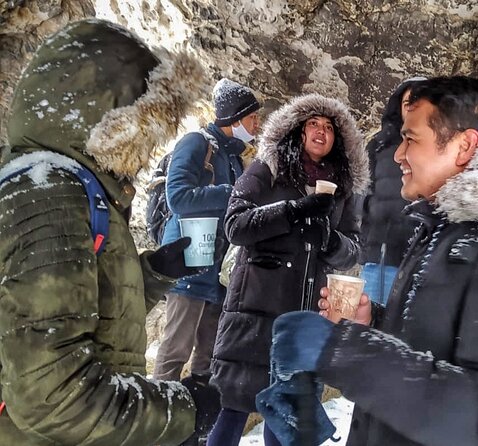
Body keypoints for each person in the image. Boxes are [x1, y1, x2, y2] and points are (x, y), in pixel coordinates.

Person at [262, 76, 478, 445]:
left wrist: (344, 353)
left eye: (411, 139)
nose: (399, 154)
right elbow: (441, 346)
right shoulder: (450, 228)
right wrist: (374, 323)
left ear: (465, 145)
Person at [0, 19, 218, 445]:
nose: (150, 147)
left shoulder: (68, 185)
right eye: (146, 124)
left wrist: (153, 272)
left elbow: (84, 306)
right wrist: (182, 410)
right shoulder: (48, 196)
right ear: (110, 116)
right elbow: (53, 398)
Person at [207, 93, 369, 446]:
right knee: (234, 407)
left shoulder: (344, 188)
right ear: (298, 130)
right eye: (313, 123)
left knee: (286, 417)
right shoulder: (269, 166)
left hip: (304, 315)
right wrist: (293, 211)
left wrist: (328, 240)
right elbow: (235, 225)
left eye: (329, 127)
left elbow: (353, 249)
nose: (321, 132)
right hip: (255, 307)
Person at [153, 79, 261, 440]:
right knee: (175, 350)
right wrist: (232, 193)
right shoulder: (196, 142)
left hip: (216, 272)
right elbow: (178, 197)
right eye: (253, 118)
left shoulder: (233, 156)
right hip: (186, 265)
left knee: (208, 355)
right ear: (235, 117)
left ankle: (194, 428)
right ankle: (156, 424)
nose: (257, 126)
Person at [360, 76, 425, 305]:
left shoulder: (437, 146)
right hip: (379, 255)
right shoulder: (379, 144)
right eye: (408, 102)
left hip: (419, 254)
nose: (412, 107)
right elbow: (363, 194)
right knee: (369, 325)